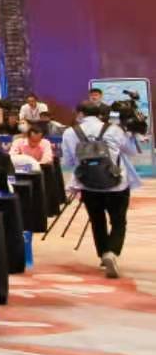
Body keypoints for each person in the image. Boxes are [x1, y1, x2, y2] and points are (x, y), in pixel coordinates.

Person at [62, 102, 142, 278]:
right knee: (119, 221)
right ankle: (112, 252)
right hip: (116, 183)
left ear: (80, 113)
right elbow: (131, 152)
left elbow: (68, 161)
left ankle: (103, 253)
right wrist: (131, 134)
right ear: (99, 113)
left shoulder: (70, 132)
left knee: (97, 221)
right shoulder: (113, 129)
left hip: (88, 184)